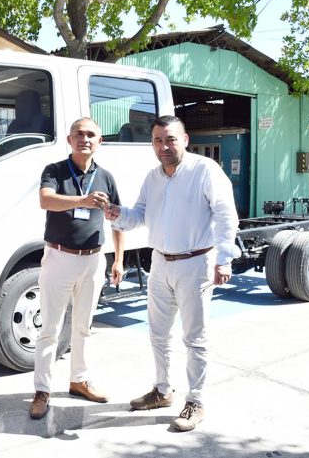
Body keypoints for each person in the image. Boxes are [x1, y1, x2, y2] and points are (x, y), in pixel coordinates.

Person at [106, 115, 239, 432]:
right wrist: (118, 214)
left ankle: (196, 401)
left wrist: (224, 258)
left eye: (170, 139)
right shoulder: (153, 177)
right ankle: (162, 391)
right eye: (157, 140)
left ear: (185, 140)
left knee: (195, 338)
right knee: (158, 334)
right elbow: (139, 214)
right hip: (160, 263)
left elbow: (225, 215)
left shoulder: (204, 171)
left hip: (195, 264)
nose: (164, 146)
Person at [29, 117, 125, 420]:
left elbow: (118, 218)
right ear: (70, 140)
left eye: (91, 135)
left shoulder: (107, 176)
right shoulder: (54, 171)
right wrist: (82, 200)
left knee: (83, 327)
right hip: (60, 257)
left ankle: (79, 380)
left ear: (100, 142)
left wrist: (119, 259)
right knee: (50, 329)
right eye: (79, 134)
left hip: (94, 260)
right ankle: (42, 391)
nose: (85, 139)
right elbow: (46, 201)